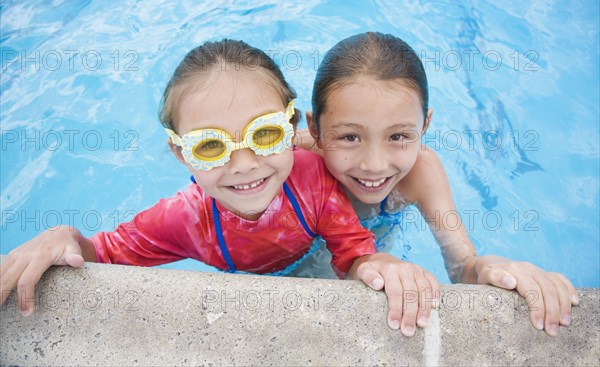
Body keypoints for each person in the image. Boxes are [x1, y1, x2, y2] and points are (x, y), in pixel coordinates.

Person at [0, 39, 440, 337]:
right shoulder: (185, 220)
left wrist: (383, 265)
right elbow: (103, 254)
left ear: (289, 129)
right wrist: (62, 238)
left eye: (264, 135)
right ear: (181, 154)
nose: (243, 164)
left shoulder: (315, 180)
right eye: (211, 145)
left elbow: (356, 253)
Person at [300, 32, 578, 337]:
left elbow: (461, 266)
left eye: (398, 136)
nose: (375, 164)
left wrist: (490, 267)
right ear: (314, 129)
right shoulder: (287, 160)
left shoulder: (421, 173)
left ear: (425, 125)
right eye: (350, 137)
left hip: (374, 254)